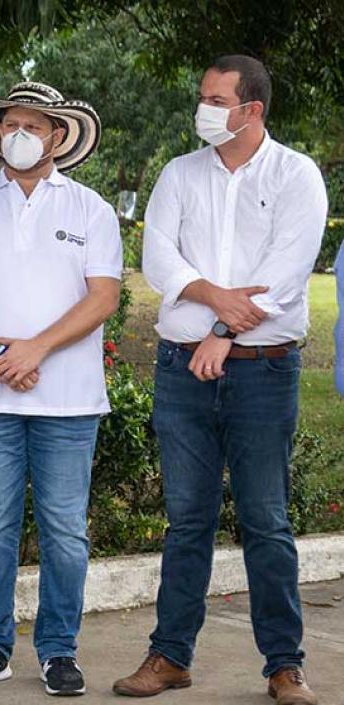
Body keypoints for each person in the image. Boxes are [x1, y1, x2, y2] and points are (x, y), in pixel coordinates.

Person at [113, 55, 325, 705]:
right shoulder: (179, 174)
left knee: (266, 520)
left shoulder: (297, 175)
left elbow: (285, 275)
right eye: (202, 96)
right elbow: (159, 259)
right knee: (186, 521)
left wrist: (223, 333)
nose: (201, 108)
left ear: (251, 110)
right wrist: (214, 298)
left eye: (215, 100)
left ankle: (284, 666)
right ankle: (170, 656)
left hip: (263, 371)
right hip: (182, 372)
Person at [0, 82, 121, 697]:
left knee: (65, 530)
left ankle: (59, 650)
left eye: (33, 126)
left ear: (57, 136)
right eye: (10, 124)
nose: (19, 135)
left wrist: (34, 349)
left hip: (68, 400)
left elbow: (103, 297)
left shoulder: (91, 210)